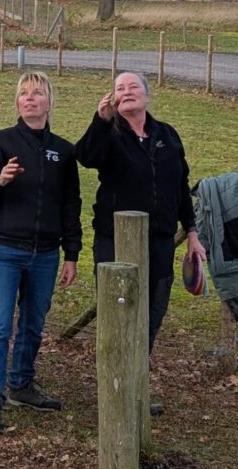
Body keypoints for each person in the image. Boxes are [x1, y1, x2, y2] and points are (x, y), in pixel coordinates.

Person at [0, 71, 82, 435]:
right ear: (17, 102)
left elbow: (71, 205)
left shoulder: (64, 151)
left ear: (50, 102)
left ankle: (21, 384)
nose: (30, 98)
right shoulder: (0, 142)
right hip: (3, 250)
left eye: (37, 93)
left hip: (45, 254)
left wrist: (72, 253)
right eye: (24, 93)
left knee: (33, 323)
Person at [75, 71, 206, 379]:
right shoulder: (108, 133)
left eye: (133, 86)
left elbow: (180, 185)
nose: (127, 91)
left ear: (147, 96)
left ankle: (136, 371)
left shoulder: (167, 135)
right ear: (113, 98)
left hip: (159, 239)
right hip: (115, 239)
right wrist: (100, 121)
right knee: (118, 306)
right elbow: (86, 157)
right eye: (120, 88)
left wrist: (191, 232)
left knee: (154, 305)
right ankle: (116, 379)